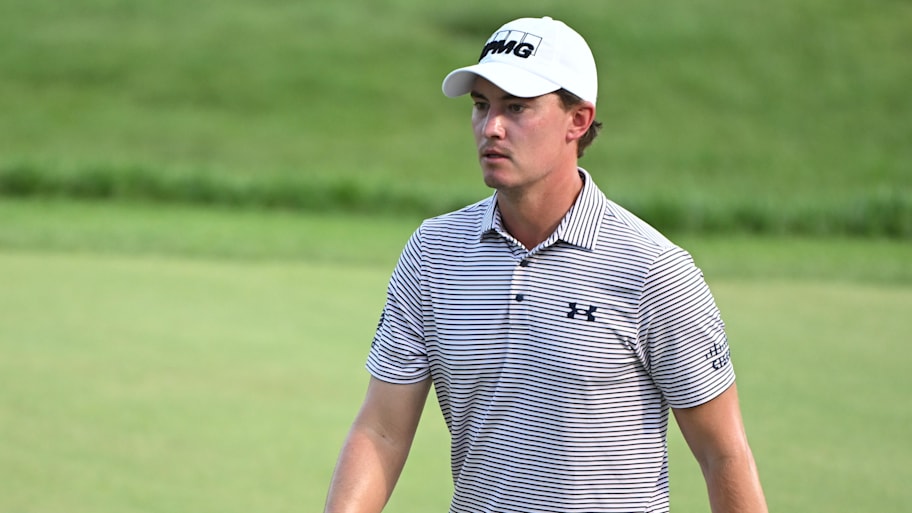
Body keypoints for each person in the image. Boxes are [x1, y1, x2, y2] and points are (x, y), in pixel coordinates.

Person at [324, 16, 768, 513]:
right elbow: (381, 431)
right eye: (481, 106)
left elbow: (722, 454)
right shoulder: (433, 253)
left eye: (516, 107)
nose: (491, 126)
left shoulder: (653, 270)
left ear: (577, 120)